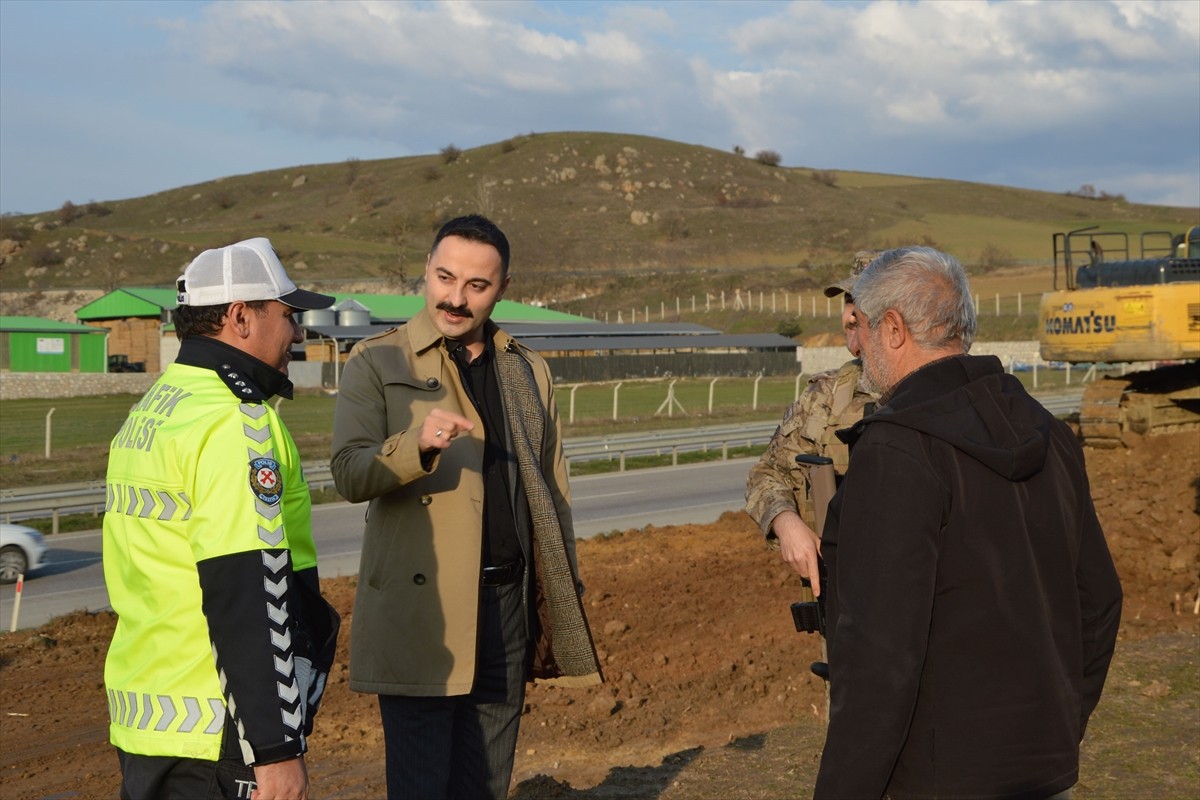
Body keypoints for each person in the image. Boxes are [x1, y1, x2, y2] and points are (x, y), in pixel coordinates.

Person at [814, 247, 1123, 799]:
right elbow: (1098, 600)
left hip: (937, 779)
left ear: (893, 328)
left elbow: (878, 658)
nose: (854, 344)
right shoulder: (1051, 434)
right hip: (1043, 770)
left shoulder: (899, 451)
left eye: (859, 326)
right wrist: (1059, 726)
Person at [330, 214, 602, 800]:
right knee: (422, 784)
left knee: (486, 783)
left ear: (502, 288)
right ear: (426, 272)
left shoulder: (529, 370)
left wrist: (556, 592)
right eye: (445, 277)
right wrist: (415, 446)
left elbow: (552, 494)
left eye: (476, 285)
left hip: (505, 605)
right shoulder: (376, 361)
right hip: (422, 609)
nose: (455, 298)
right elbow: (349, 473)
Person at [103, 238, 341, 800]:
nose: (298, 334)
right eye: (288, 316)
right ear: (240, 317)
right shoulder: (234, 423)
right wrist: (276, 749)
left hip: (149, 725)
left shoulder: (155, 410)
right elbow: (247, 590)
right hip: (218, 732)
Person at [744, 251, 880, 594]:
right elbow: (767, 473)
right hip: (839, 601)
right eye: (848, 301)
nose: (850, 315)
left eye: (863, 300)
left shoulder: (933, 391)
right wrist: (785, 523)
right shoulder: (826, 395)